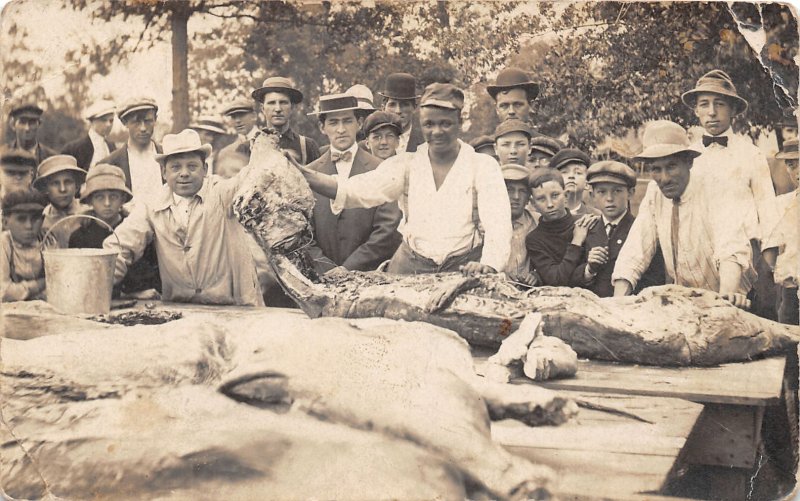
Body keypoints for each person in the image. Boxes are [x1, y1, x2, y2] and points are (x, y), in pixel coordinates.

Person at [293, 83, 511, 276]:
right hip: (410, 267)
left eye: (445, 124)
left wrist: (489, 264)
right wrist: (304, 174)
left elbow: (498, 225)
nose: (436, 132)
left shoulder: (482, 166)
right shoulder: (408, 164)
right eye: (429, 125)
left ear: (459, 121)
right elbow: (355, 191)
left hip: (463, 267)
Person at [103, 129, 263, 306]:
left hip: (230, 307)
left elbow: (251, 177)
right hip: (180, 310)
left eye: (192, 166)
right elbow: (120, 245)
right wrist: (99, 286)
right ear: (164, 173)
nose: (184, 173)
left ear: (205, 169)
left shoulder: (221, 192)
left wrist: (267, 147)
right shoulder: (152, 204)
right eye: (176, 167)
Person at [612, 120, 754, 309]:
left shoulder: (717, 188)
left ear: (689, 162)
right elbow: (635, 249)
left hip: (731, 299)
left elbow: (731, 246)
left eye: (671, 166)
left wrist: (728, 296)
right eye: (656, 169)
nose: (664, 178)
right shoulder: (654, 192)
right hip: (685, 303)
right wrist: (617, 303)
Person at [681, 70, 778, 316]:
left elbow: (768, 214)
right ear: (696, 110)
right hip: (697, 262)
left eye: (720, 104)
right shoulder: (686, 157)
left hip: (745, 265)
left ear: (733, 109)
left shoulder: (750, 155)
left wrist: (770, 269)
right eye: (705, 104)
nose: (712, 112)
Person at [304, 94, 401, 273]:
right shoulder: (308, 174)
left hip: (368, 276)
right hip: (320, 278)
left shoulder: (382, 169)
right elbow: (304, 234)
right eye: (333, 122)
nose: (341, 129)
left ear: (359, 123)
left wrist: (348, 269)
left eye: (347, 121)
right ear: (322, 127)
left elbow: (387, 229)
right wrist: (325, 269)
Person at [68, 163, 161, 296]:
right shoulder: (80, 236)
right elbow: (79, 281)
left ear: (123, 199)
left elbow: (149, 275)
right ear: (90, 200)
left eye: (113, 196)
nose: (107, 203)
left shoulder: (136, 232)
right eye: (100, 197)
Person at [572, 161, 653, 297]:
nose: (609, 198)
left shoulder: (641, 230)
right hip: (592, 309)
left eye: (617, 191)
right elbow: (572, 279)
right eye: (602, 192)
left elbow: (653, 280)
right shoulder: (587, 229)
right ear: (592, 196)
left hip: (629, 309)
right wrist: (589, 269)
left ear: (630, 193)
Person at [525, 168, 598, 286]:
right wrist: (576, 242)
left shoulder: (585, 224)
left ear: (565, 195)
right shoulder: (534, 239)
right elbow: (556, 279)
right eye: (541, 199)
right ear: (533, 204)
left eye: (555, 195)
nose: (549, 204)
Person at [101, 97, 163, 205]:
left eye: (148, 121)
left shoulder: (167, 155)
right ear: (125, 122)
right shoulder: (110, 164)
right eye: (136, 122)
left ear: (155, 119)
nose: (143, 128)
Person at [765, 138, 799, 324]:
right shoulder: (782, 204)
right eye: (792, 165)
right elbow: (771, 246)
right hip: (791, 290)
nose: (798, 172)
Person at [251, 76, 320, 164]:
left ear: (292, 107)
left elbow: (318, 176)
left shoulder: (308, 146)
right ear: (263, 108)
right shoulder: (251, 146)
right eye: (271, 103)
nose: (278, 109)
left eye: (283, 102)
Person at [1, 189, 51, 301]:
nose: (29, 226)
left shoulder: (48, 240)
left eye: (35, 219)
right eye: (21, 219)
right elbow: (3, 291)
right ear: (5, 222)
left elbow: (58, 280)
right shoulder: (4, 243)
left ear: (42, 220)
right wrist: (40, 284)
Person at [33, 155, 87, 248]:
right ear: (45, 189)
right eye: (55, 183)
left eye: (68, 182)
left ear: (77, 186)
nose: (62, 189)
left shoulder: (89, 214)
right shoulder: (41, 220)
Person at [501, 163, 538, 286]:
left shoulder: (538, 222)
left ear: (529, 197)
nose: (516, 197)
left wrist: (536, 275)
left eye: (522, 191)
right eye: (509, 190)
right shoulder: (484, 226)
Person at [61, 99, 117, 170]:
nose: (108, 124)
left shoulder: (111, 147)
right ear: (92, 121)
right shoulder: (74, 149)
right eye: (103, 120)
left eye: (111, 120)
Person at [379, 73, 425, 153]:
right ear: (383, 108)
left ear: (414, 107)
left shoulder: (425, 142)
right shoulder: (372, 142)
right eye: (392, 105)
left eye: (405, 105)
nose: (398, 111)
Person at [549, 148, 600, 216]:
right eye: (564, 172)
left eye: (578, 173)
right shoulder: (544, 215)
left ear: (587, 184)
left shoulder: (596, 217)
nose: (571, 176)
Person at [6, 102, 57, 169]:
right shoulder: (3, 156)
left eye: (32, 122)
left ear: (39, 124)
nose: (27, 128)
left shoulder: (52, 158)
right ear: (13, 125)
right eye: (22, 122)